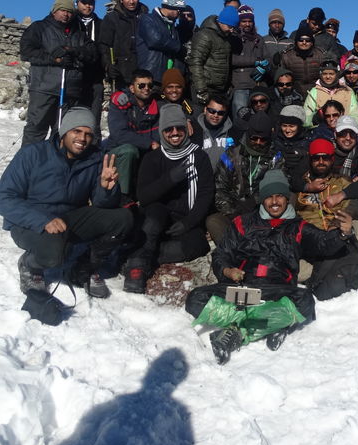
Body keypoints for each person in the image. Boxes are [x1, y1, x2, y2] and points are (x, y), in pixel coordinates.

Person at [184, 169, 355, 364]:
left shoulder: (298, 226)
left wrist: (343, 233)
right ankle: (269, 324)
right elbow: (222, 254)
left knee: (306, 302)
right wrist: (227, 271)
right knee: (196, 299)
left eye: (280, 196)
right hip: (243, 289)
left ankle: (238, 330)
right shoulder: (242, 223)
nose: (274, 202)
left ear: (287, 199)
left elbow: (324, 243)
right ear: (262, 199)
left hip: (278, 291)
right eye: (269, 197)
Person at [0, 107, 133, 299]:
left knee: (123, 218)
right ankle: (31, 265)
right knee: (55, 252)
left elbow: (102, 205)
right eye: (77, 131)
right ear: (64, 131)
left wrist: (106, 189)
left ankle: (83, 267)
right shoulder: (33, 154)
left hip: (68, 220)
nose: (83, 139)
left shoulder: (94, 159)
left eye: (88, 134)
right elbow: (3, 198)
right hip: (30, 223)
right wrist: (42, 220)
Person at [293, 136, 358, 306]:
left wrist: (337, 227)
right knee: (289, 272)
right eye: (316, 158)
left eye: (325, 157)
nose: (321, 161)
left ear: (331, 159)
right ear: (310, 160)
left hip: (339, 236)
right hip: (312, 245)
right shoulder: (300, 187)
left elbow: (353, 207)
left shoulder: (342, 182)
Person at [123, 106, 214, 293]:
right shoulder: (152, 158)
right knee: (153, 217)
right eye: (168, 129)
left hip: (185, 219)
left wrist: (189, 222)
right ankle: (138, 268)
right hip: (158, 215)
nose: (174, 133)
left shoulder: (199, 157)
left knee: (198, 245)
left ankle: (146, 254)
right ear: (161, 132)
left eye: (179, 128)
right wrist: (170, 178)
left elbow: (206, 193)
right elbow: (144, 196)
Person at [19, 0, 98, 147]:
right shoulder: (39, 27)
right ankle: (28, 162)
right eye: (62, 10)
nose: (66, 15)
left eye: (69, 11)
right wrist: (54, 59)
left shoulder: (78, 33)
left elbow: (92, 53)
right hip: (44, 88)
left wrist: (74, 51)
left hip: (69, 91)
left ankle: (56, 164)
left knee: (63, 131)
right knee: (36, 127)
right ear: (54, 10)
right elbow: (27, 51)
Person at [207, 111, 284, 245]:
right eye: (254, 138)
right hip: (234, 212)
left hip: (263, 211)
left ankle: (263, 243)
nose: (258, 142)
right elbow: (220, 188)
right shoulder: (231, 155)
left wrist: (257, 204)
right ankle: (234, 249)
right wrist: (233, 213)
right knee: (213, 221)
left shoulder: (275, 157)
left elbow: (278, 188)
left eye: (263, 139)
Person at [104, 69, 162, 199]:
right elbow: (119, 135)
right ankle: (124, 196)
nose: (146, 89)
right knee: (130, 150)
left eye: (150, 85)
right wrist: (149, 143)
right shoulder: (121, 104)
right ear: (132, 88)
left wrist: (186, 119)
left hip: (144, 153)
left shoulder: (155, 106)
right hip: (117, 154)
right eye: (141, 85)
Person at [100, 0, 148, 90]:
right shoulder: (112, 18)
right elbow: (104, 45)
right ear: (121, 0)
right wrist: (108, 66)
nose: (131, 2)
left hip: (142, 73)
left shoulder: (146, 18)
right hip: (120, 73)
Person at [187, 6, 239, 106]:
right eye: (230, 26)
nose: (232, 30)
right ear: (222, 22)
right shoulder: (205, 35)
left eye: (234, 27)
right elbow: (195, 63)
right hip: (205, 88)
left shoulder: (226, 38)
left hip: (220, 90)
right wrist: (201, 89)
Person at [136, 0, 187, 81]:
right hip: (151, 76)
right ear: (172, 7)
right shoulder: (147, 19)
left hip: (168, 78)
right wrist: (178, 47)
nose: (180, 14)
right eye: (180, 10)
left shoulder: (171, 25)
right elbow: (155, 40)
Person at [230, 4, 267, 119]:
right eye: (244, 21)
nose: (247, 24)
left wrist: (265, 67)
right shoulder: (233, 38)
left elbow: (267, 58)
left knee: (259, 120)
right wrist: (255, 61)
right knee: (241, 119)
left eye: (250, 21)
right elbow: (232, 59)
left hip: (257, 85)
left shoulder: (259, 39)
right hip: (240, 85)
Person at [75, 0, 105, 124]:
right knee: (73, 113)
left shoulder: (101, 24)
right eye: (84, 2)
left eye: (91, 3)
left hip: (95, 77)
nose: (88, 6)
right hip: (74, 75)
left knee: (94, 115)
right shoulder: (71, 23)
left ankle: (94, 142)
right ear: (77, 3)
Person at [303, 59, 358, 128]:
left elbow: (356, 115)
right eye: (325, 74)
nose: (328, 77)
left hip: (344, 131)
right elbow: (306, 118)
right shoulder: (314, 91)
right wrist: (314, 119)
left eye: (331, 74)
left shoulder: (347, 91)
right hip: (321, 131)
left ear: (337, 74)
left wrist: (348, 126)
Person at [280, 26, 327, 95]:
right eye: (301, 40)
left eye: (307, 40)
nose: (304, 42)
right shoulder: (287, 56)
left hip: (317, 91)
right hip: (294, 93)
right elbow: (282, 77)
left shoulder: (321, 55)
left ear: (312, 42)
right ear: (296, 42)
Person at [195, 92, 234, 167]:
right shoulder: (194, 130)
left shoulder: (231, 133)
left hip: (222, 177)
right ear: (205, 109)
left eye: (221, 113)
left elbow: (231, 162)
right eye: (212, 111)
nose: (216, 115)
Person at [273, 104, 310, 175]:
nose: (287, 130)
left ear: (299, 127)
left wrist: (304, 155)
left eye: (292, 126)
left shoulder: (308, 140)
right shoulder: (275, 139)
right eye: (284, 126)